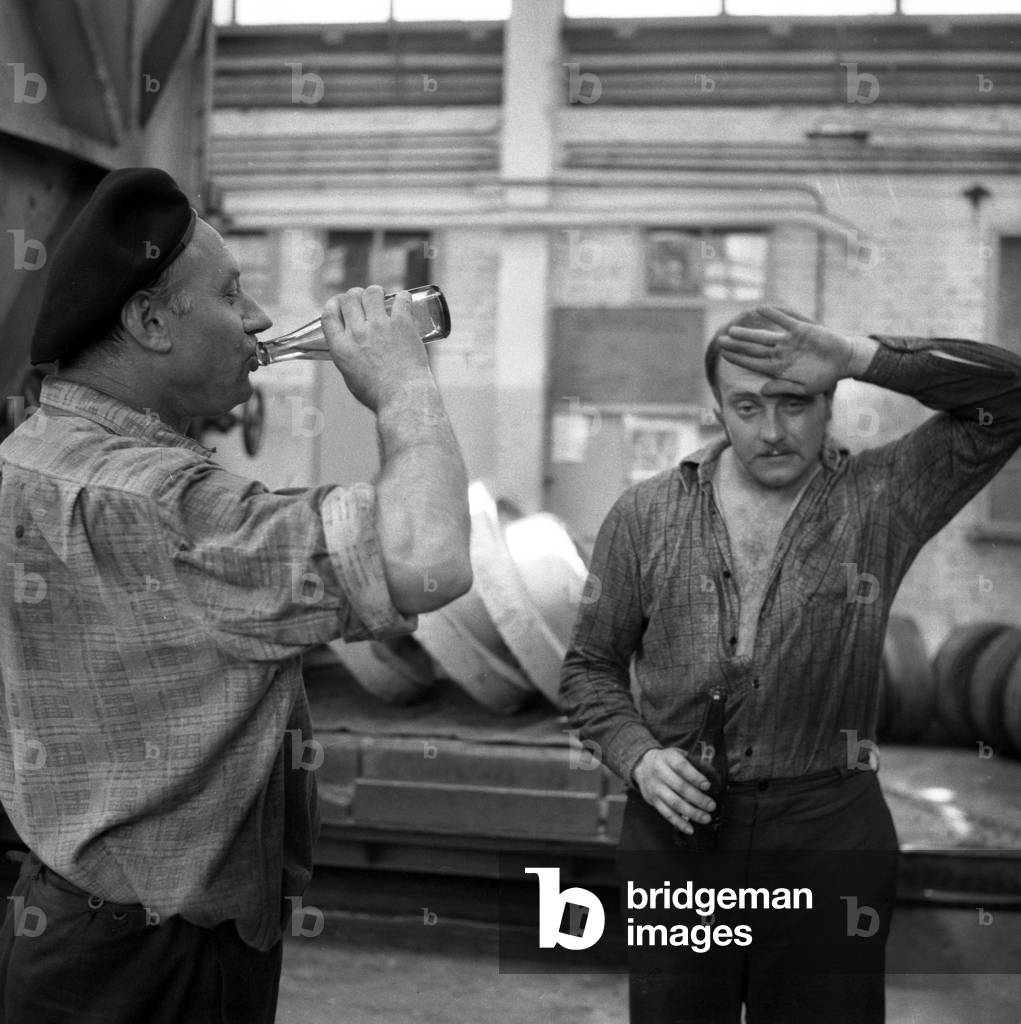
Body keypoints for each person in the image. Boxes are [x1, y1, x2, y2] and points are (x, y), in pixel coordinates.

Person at [0, 167, 472, 1023]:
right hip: (155, 960)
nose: (258, 320)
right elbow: (428, 558)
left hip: (66, 918)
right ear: (148, 321)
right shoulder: (161, 503)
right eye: (232, 292)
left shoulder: (32, 451)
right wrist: (404, 386)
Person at [560, 306, 1021, 1023]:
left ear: (829, 400)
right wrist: (638, 757)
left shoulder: (881, 498)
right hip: (677, 838)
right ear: (716, 409)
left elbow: (1007, 395)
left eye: (793, 402)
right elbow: (587, 667)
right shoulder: (642, 516)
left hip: (827, 834)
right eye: (747, 406)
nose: (771, 431)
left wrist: (860, 353)